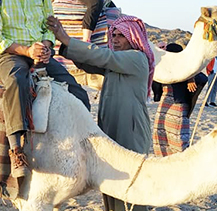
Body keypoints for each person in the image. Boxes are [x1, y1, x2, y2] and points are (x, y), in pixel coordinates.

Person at [0, 0, 90, 178]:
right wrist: (27, 51)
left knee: (77, 90)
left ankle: (78, 142)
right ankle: (16, 148)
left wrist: (47, 46)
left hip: (39, 52)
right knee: (16, 81)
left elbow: (48, 26)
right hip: (11, 53)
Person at [48, 14, 154, 211]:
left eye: (120, 35)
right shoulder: (117, 63)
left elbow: (104, 56)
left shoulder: (137, 58)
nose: (115, 38)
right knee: (112, 183)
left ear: (133, 36)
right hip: (112, 128)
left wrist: (67, 39)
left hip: (130, 130)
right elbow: (91, 62)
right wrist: (66, 48)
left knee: (131, 183)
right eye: (113, 34)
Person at [152, 43, 208, 157]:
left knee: (177, 137)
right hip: (164, 103)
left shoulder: (185, 71)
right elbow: (155, 82)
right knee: (160, 133)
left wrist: (190, 77)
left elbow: (203, 78)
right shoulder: (166, 70)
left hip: (178, 105)